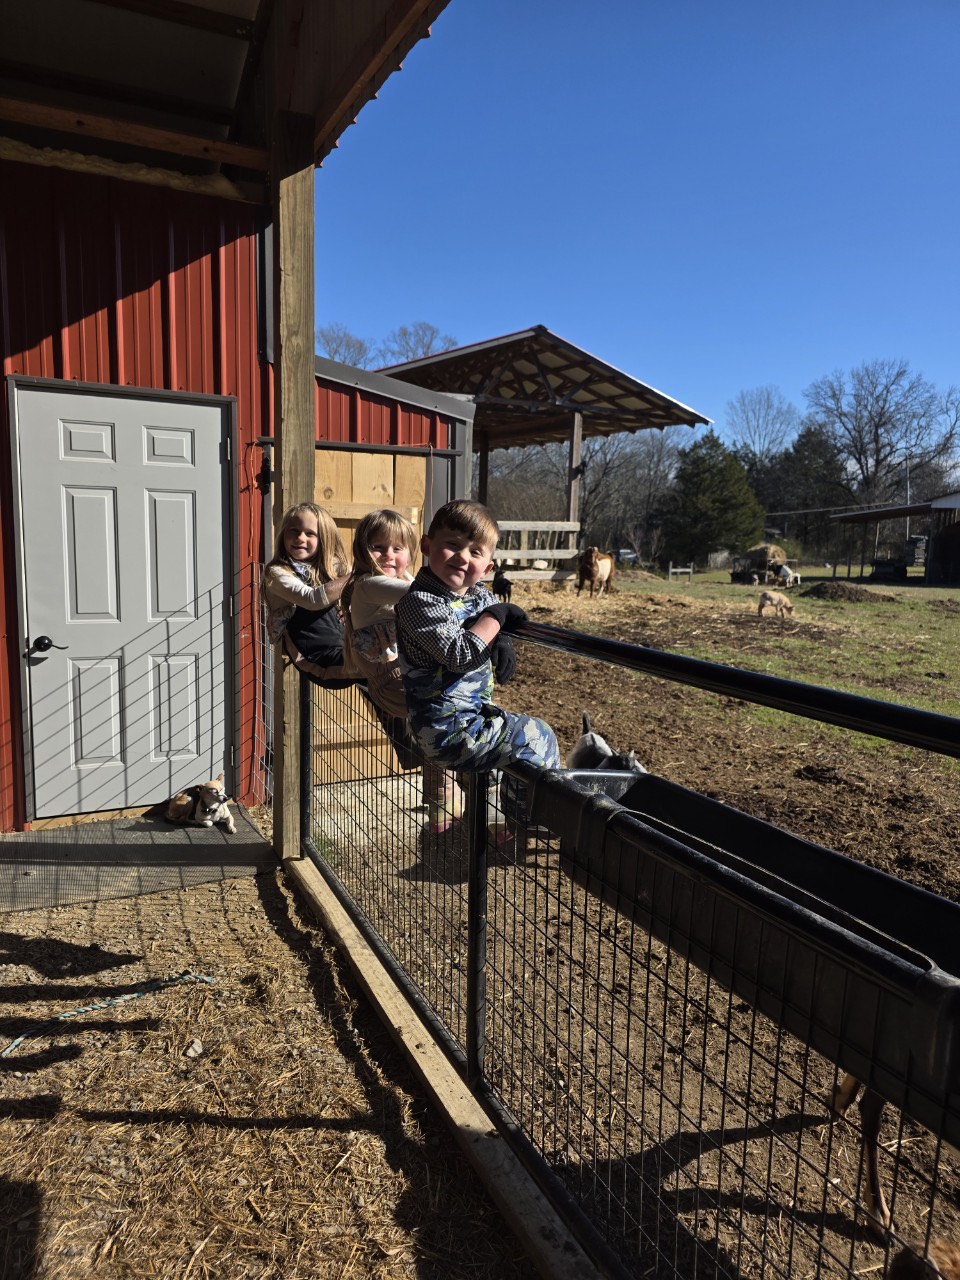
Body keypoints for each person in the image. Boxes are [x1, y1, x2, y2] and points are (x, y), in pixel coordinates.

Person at [395, 499, 561, 843]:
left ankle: (494, 813)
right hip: (445, 729)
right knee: (538, 734)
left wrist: (500, 639)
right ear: (427, 546)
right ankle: (527, 817)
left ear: (487, 568)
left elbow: (484, 607)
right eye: (452, 545)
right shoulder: (420, 602)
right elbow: (460, 652)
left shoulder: (473, 595)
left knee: (508, 737)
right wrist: (496, 619)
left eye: (475, 552)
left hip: (468, 718)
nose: (462, 557)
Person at [343, 508, 465, 833]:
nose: (389, 555)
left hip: (407, 678)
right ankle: (462, 803)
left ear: (411, 552)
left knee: (440, 731)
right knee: (455, 716)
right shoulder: (369, 585)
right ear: (362, 550)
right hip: (392, 681)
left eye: (398, 548)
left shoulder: (406, 582)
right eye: (379, 547)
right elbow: (440, 598)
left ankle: (443, 809)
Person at [261, 502, 356, 687]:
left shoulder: (333, 568)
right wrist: (358, 575)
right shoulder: (277, 572)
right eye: (293, 531)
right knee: (381, 666)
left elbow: (362, 587)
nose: (300, 538)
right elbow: (312, 599)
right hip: (319, 662)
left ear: (325, 539)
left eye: (310, 533)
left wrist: (350, 606)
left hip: (348, 650)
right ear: (283, 535)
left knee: (386, 669)